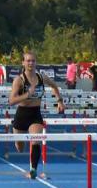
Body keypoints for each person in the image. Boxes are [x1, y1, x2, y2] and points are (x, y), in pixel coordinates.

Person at [8, 51, 66, 179]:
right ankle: (18, 140)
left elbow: (55, 86)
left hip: (35, 113)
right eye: (28, 61)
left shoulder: (41, 77)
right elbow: (11, 101)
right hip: (22, 114)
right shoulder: (19, 80)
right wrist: (27, 94)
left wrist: (60, 101)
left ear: (36, 62)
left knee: (36, 141)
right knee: (20, 147)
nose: (31, 63)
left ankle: (33, 170)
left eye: (33, 61)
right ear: (23, 63)